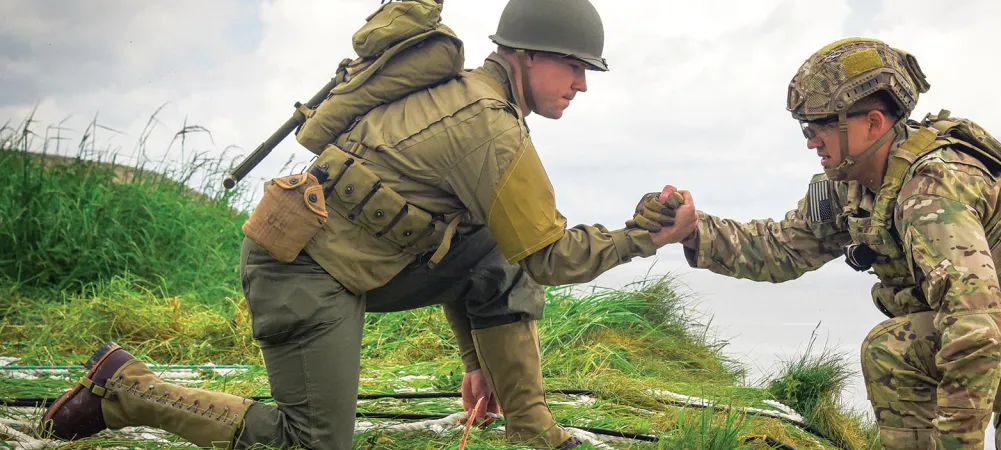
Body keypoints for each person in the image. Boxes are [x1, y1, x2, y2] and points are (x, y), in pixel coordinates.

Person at [39, 1, 697, 449]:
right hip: (300, 270)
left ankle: (529, 425)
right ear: (526, 56)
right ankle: (125, 389)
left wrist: (477, 362)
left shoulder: (480, 99)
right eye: (575, 66)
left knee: (500, 246)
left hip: (365, 266)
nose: (582, 84)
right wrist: (646, 234)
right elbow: (554, 259)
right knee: (314, 440)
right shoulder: (488, 128)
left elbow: (485, 251)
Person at [638, 37, 1001, 449]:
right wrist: (693, 230)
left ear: (873, 123)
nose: (811, 141)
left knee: (892, 348)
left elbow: (975, 329)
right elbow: (784, 248)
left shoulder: (932, 192)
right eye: (806, 128)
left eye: (822, 125)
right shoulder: (852, 186)